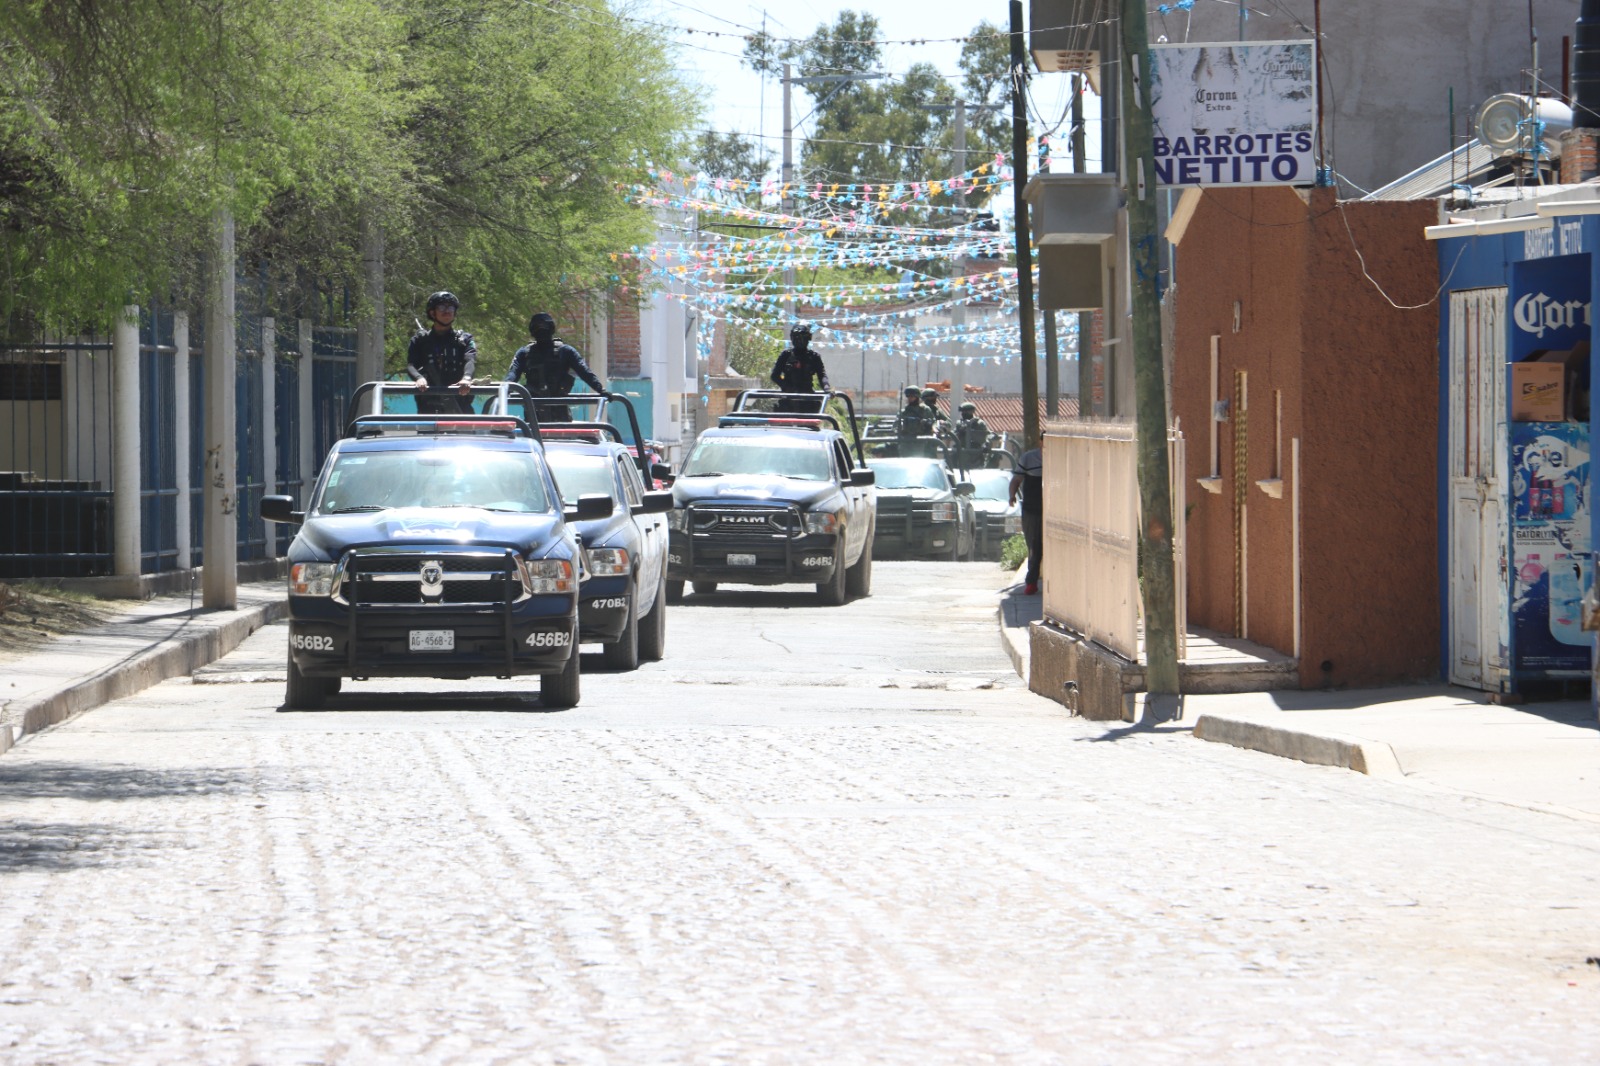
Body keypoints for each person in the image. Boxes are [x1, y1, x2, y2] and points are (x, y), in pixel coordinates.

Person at [505, 312, 606, 422]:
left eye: (544, 328)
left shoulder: (565, 351)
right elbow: (513, 374)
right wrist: (505, 390)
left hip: (559, 412)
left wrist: (600, 389)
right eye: (538, 328)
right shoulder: (524, 353)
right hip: (534, 413)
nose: (541, 332)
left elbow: (584, 371)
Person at [407, 291, 477, 414]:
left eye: (451, 307)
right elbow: (411, 365)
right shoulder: (419, 340)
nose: (447, 311)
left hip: (460, 404)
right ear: (432, 312)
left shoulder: (464, 339)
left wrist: (466, 378)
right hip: (429, 404)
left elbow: (470, 360)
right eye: (442, 307)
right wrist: (419, 378)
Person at [1009, 433, 1044, 595]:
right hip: (1032, 509)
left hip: (1053, 510)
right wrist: (1012, 496)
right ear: (1040, 442)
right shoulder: (1029, 458)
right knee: (1034, 545)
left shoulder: (1061, 458)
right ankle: (1031, 582)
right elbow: (1016, 480)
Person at [770, 324, 830, 412]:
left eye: (802, 338)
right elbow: (774, 375)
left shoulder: (813, 356)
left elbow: (822, 375)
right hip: (788, 400)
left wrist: (826, 388)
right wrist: (787, 387)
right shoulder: (786, 355)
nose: (799, 341)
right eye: (796, 338)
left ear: (808, 338)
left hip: (807, 399)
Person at [894, 386, 934, 457]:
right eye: (908, 396)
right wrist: (899, 426)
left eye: (912, 396)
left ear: (917, 397)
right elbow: (895, 426)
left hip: (921, 442)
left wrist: (927, 424)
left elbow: (933, 423)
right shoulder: (904, 412)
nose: (910, 398)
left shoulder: (925, 410)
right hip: (906, 443)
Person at [953, 401, 991, 473]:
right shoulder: (959, 423)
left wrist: (986, 444)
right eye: (962, 412)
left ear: (972, 411)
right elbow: (954, 434)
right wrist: (961, 430)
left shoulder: (979, 423)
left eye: (966, 411)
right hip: (961, 451)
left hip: (976, 452)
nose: (963, 413)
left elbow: (987, 434)